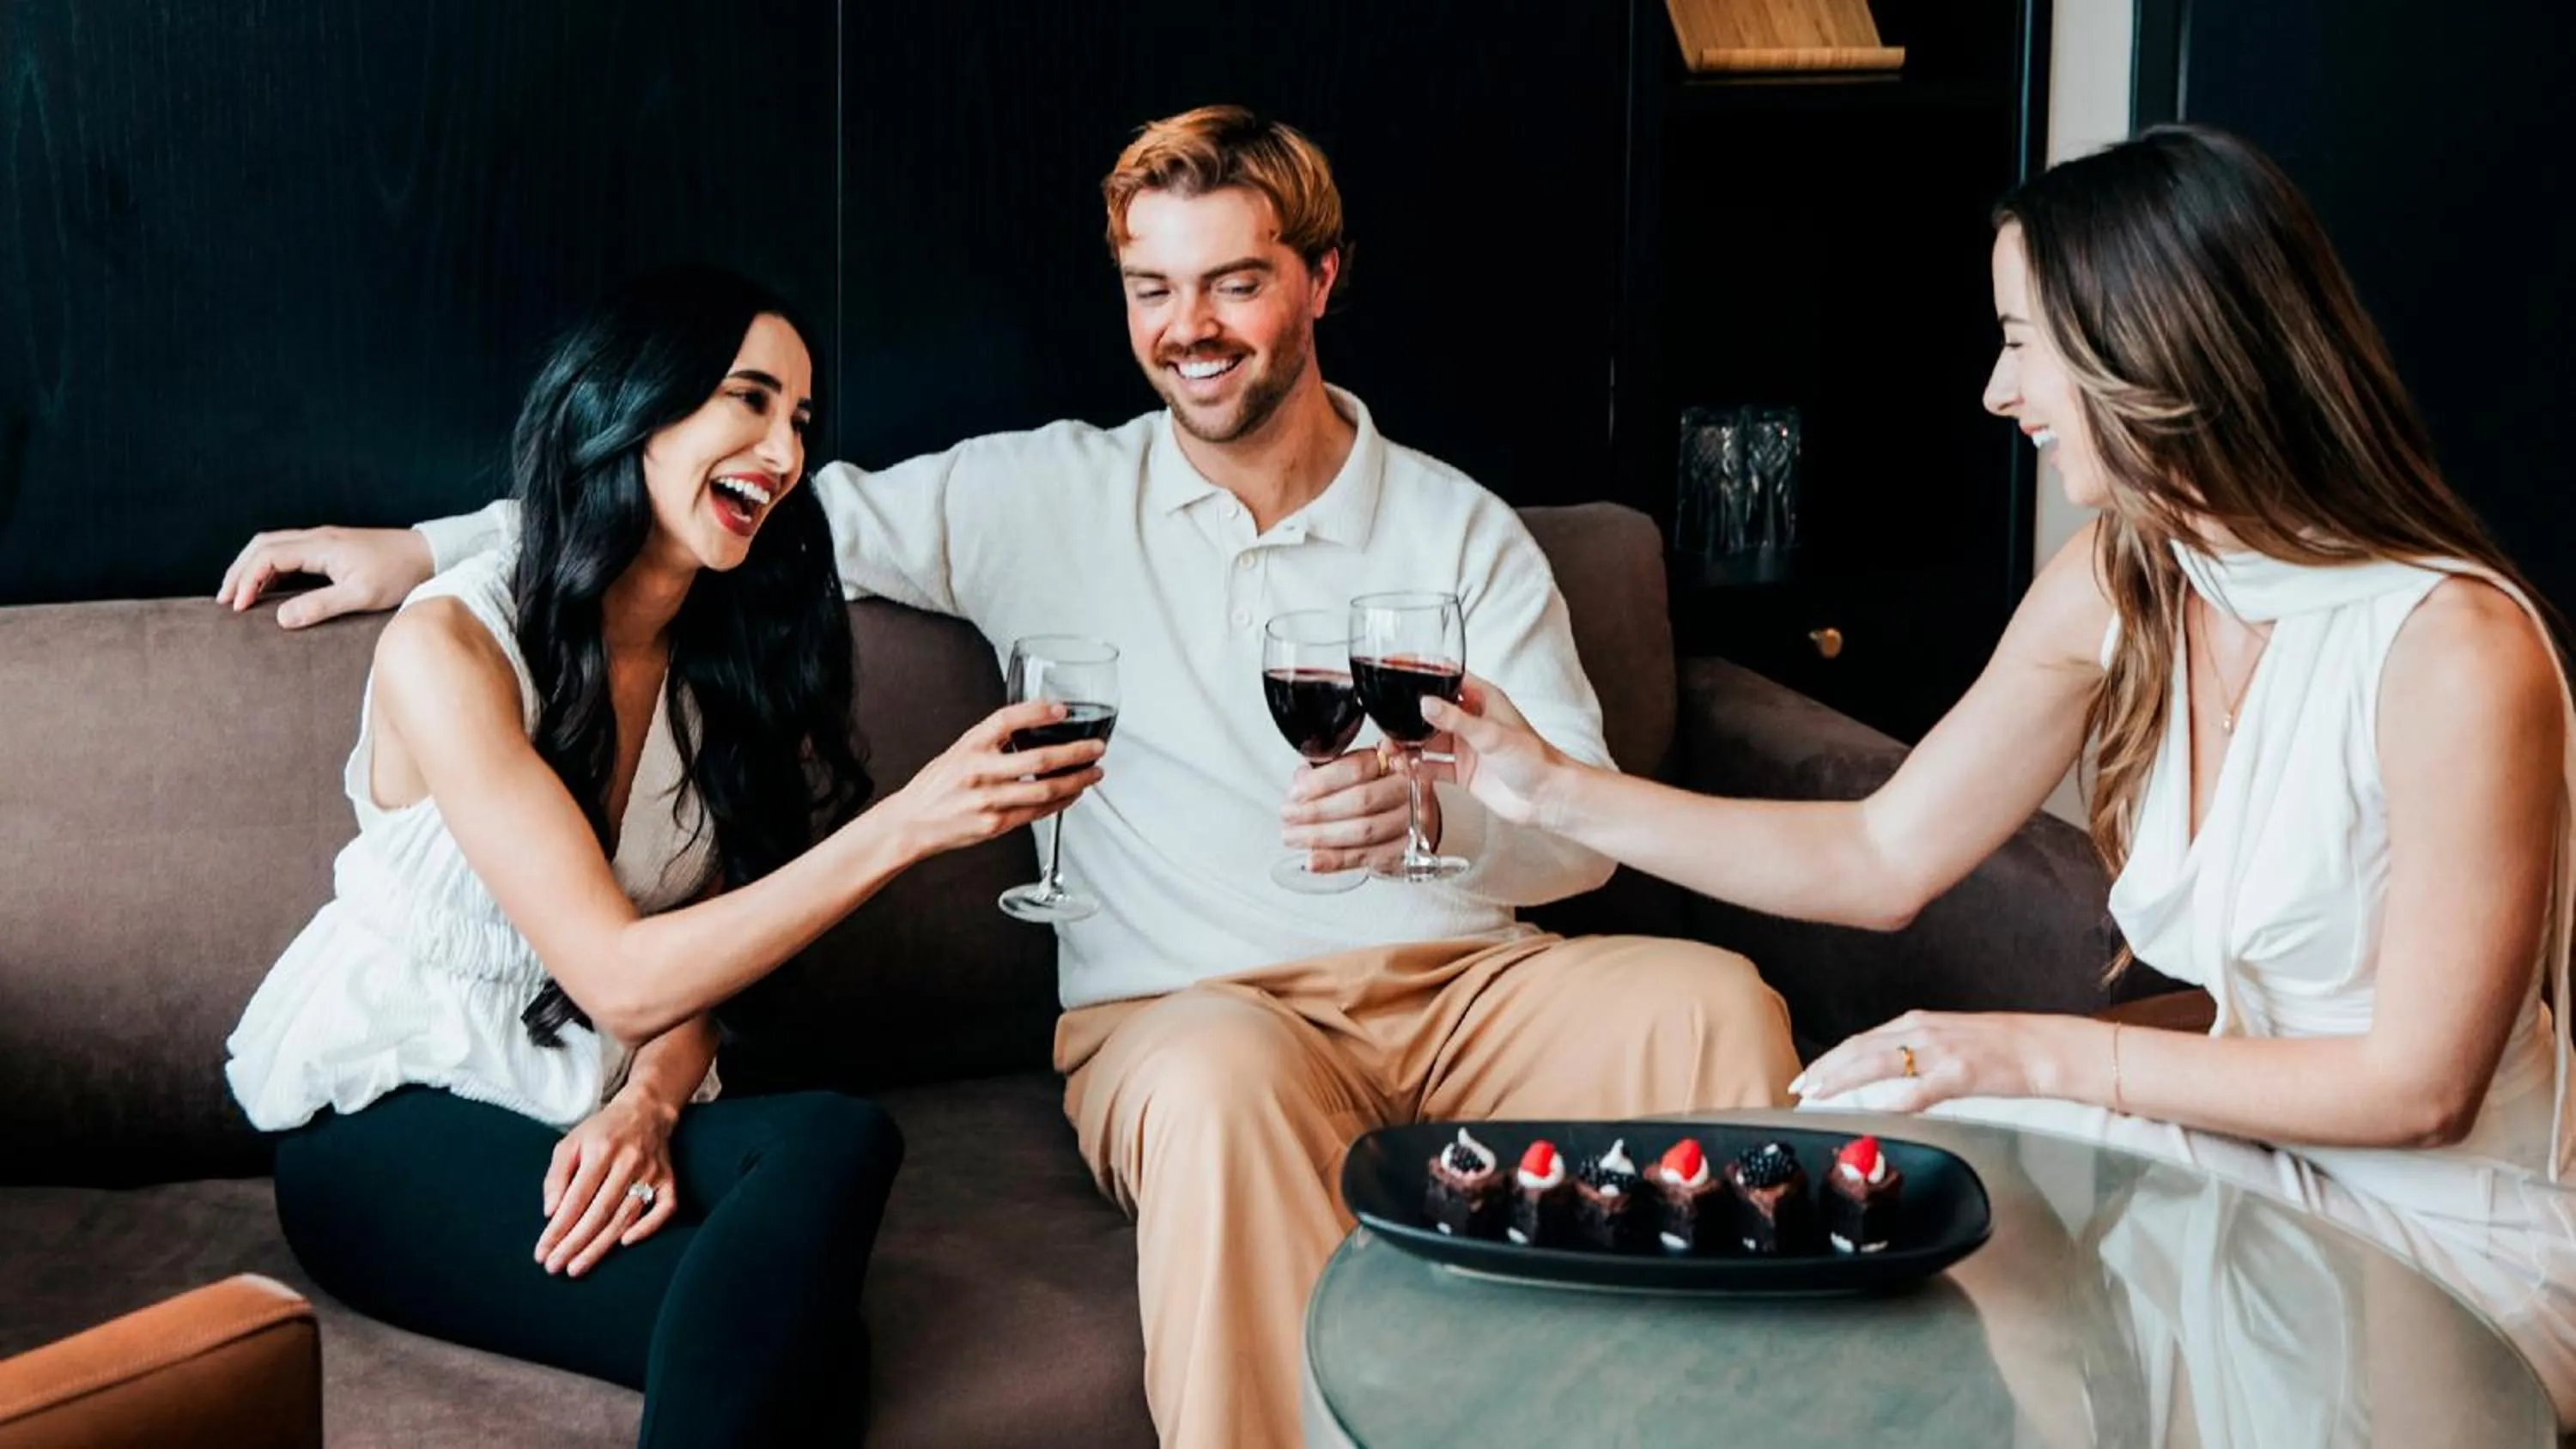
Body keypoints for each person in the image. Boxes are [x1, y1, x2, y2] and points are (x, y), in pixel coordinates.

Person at [218, 106, 1802, 1447]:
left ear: (1319, 281)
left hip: (1465, 986)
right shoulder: (1035, 496)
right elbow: (725, 497)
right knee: (1216, 1091)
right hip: (1196, 1010)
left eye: (1235, 283)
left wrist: (1453, 811)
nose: (1189, 327)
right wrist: (423, 547)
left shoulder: (1460, 528)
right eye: (1152, 288)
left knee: (1715, 1001)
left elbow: (1583, 837)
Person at [1418, 124, 2576, 1427]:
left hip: (2451, 1232)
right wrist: (1548, 787)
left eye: (2021, 340)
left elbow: (2420, 1092)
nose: (1994, 391)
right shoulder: (2120, 579)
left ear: (2153, 341)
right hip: (2256, 1170)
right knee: (1942, 1208)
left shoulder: (2452, 649)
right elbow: (1877, 856)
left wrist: (2026, 1053)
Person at [222, 266, 1106, 1446]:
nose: (783, 451)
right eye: (746, 401)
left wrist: (647, 1097)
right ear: (633, 408)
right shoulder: (454, 646)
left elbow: (701, 964)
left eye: (799, 420)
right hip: (390, 1118)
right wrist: (908, 822)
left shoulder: (731, 657)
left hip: (587, 1102)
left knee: (839, 1140)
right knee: (811, 1351)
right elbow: (624, 975)